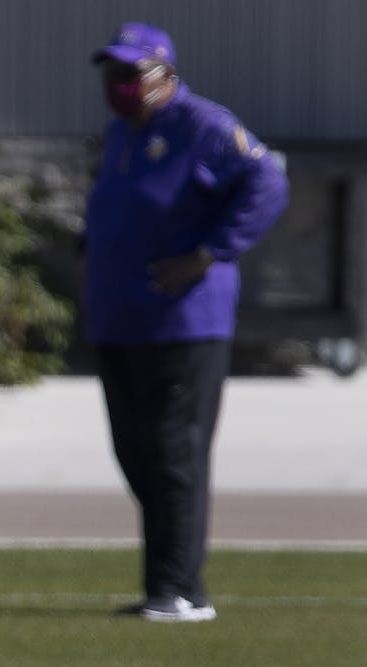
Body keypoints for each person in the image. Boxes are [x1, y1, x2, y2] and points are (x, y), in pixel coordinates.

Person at [83, 22, 289, 622]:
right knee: (136, 452)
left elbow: (268, 181)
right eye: (110, 75)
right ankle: (162, 585)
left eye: (129, 74)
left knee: (176, 450)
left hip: (183, 321)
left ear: (164, 75)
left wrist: (209, 252)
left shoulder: (205, 125)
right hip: (119, 316)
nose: (118, 86)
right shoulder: (122, 131)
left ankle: (182, 590)